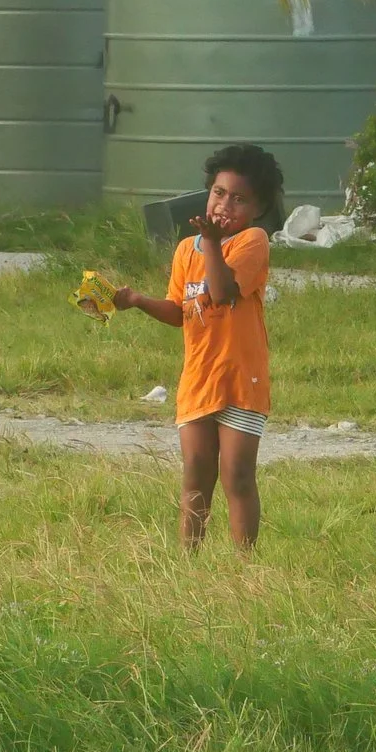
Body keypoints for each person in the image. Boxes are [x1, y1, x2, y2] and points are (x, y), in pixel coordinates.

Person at [112, 144, 283, 550]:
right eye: (219, 193)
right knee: (195, 475)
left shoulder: (252, 241)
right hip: (198, 381)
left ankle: (246, 568)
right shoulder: (186, 248)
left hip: (241, 380)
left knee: (237, 475)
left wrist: (211, 242)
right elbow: (179, 311)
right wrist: (136, 300)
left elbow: (222, 293)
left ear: (257, 208)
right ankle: (188, 564)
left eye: (239, 199)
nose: (225, 205)